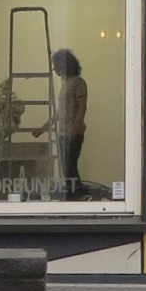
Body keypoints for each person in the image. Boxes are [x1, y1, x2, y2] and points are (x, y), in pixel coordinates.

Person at [52, 49, 88, 198]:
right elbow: (61, 112)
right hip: (62, 133)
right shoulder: (65, 84)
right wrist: (43, 128)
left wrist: (74, 127)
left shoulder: (78, 82)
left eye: (56, 65)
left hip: (73, 133)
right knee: (67, 169)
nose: (54, 69)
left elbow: (82, 106)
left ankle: (77, 195)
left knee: (69, 168)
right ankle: (77, 195)